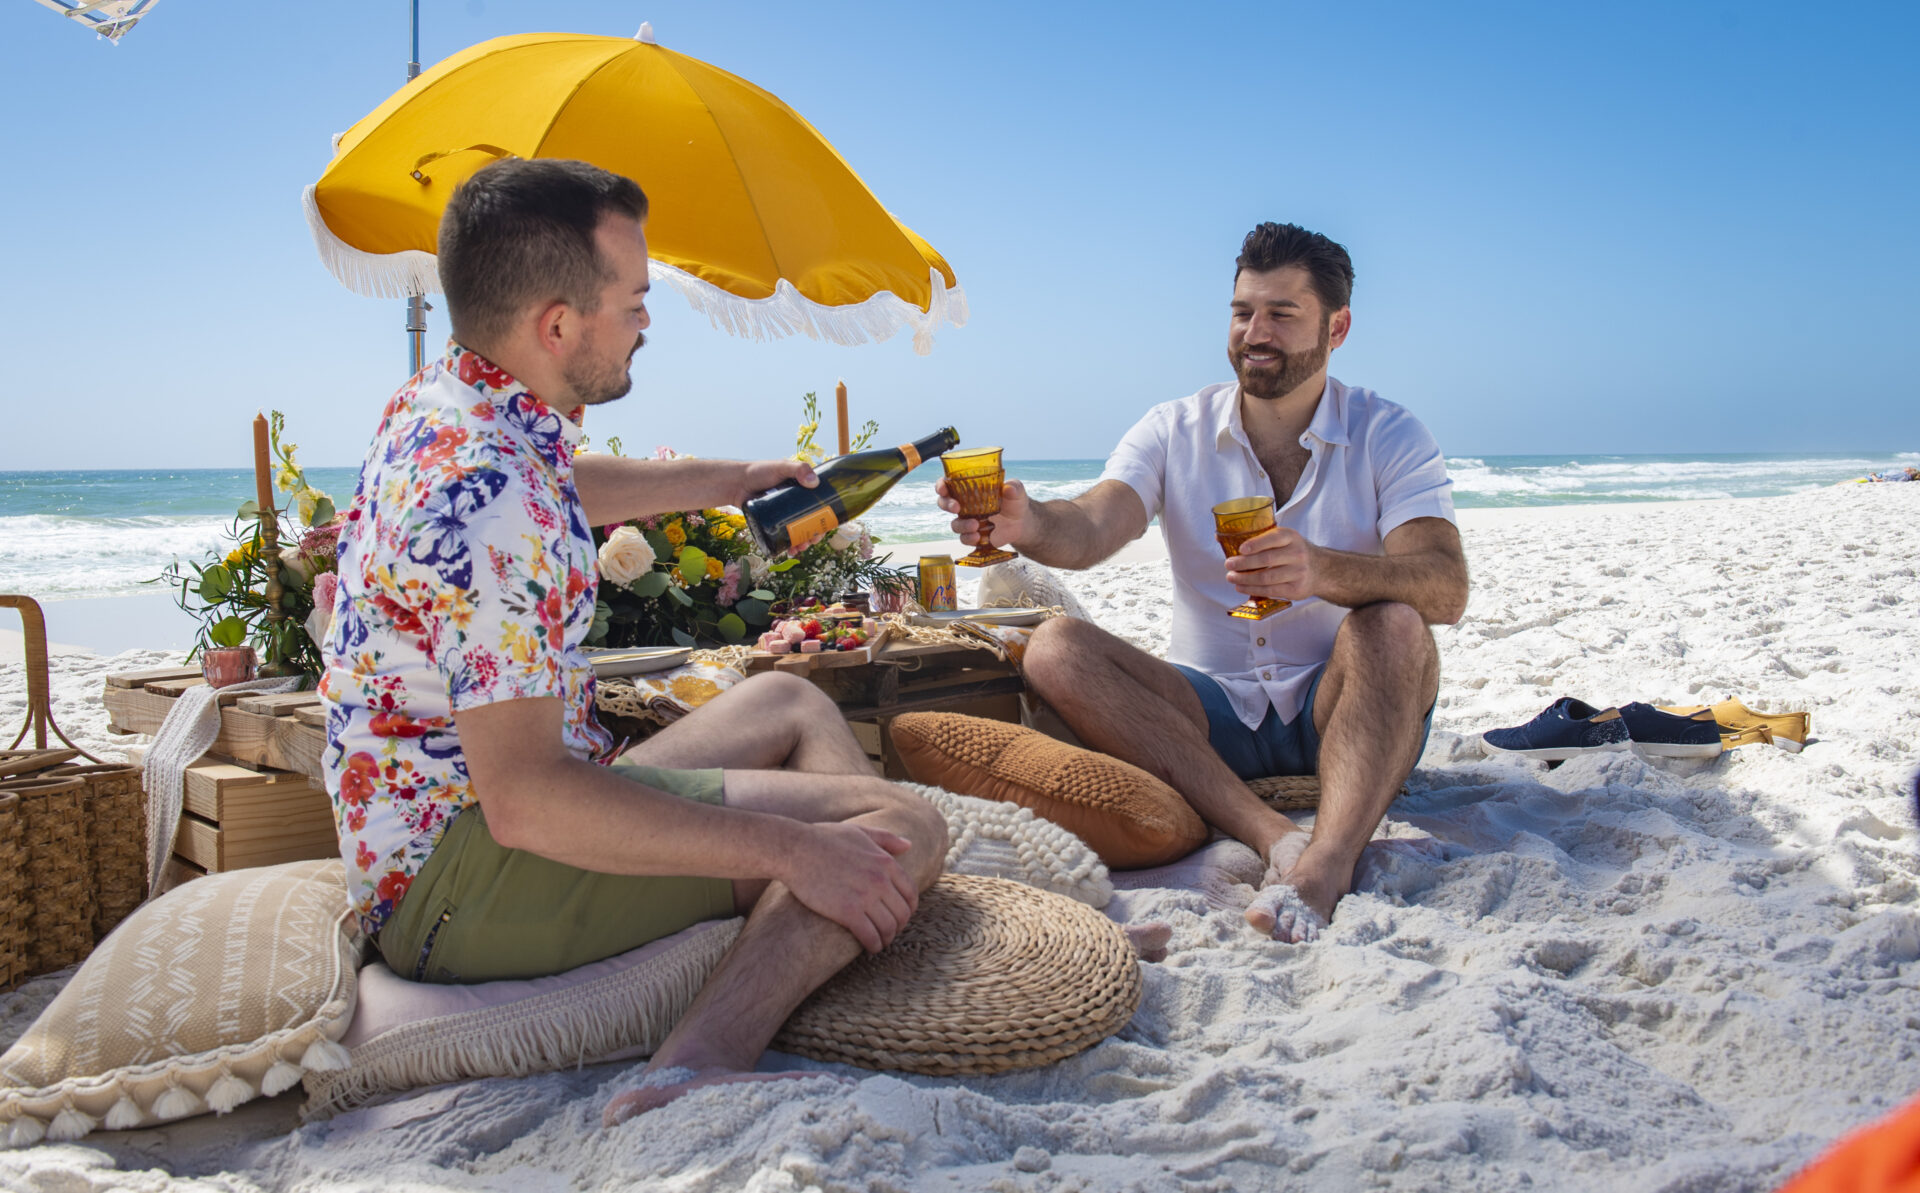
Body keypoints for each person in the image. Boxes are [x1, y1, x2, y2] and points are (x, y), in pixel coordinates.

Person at [318, 158, 947, 1122]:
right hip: (466, 882)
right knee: (900, 831)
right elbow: (528, 804)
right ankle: (702, 1055)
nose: (649, 321)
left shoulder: (443, 404)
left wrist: (733, 477)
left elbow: (562, 479)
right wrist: (794, 851)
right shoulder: (492, 504)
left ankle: (826, 917)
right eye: (636, 300)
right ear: (558, 325)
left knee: (786, 698)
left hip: (440, 829)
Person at [938, 222, 1468, 943]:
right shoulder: (1173, 428)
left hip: (1343, 704)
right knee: (1056, 647)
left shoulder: (1389, 432)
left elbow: (1446, 585)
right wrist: (1026, 520)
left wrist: (1321, 569)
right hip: (1210, 712)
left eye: (1283, 314)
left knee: (1395, 622)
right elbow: (1096, 523)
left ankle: (1327, 863)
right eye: (1243, 310)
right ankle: (1273, 834)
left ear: (1337, 327)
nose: (1256, 331)